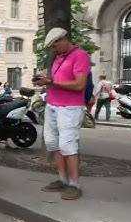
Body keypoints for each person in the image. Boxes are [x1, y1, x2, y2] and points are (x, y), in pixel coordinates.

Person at [34, 27, 91, 200]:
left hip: (70, 107)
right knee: (53, 143)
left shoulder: (80, 55)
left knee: (67, 145)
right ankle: (62, 179)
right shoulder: (58, 58)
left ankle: (74, 184)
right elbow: (58, 81)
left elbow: (79, 85)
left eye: (54, 45)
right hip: (53, 104)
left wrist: (52, 82)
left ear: (64, 39)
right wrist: (46, 81)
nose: (53, 49)